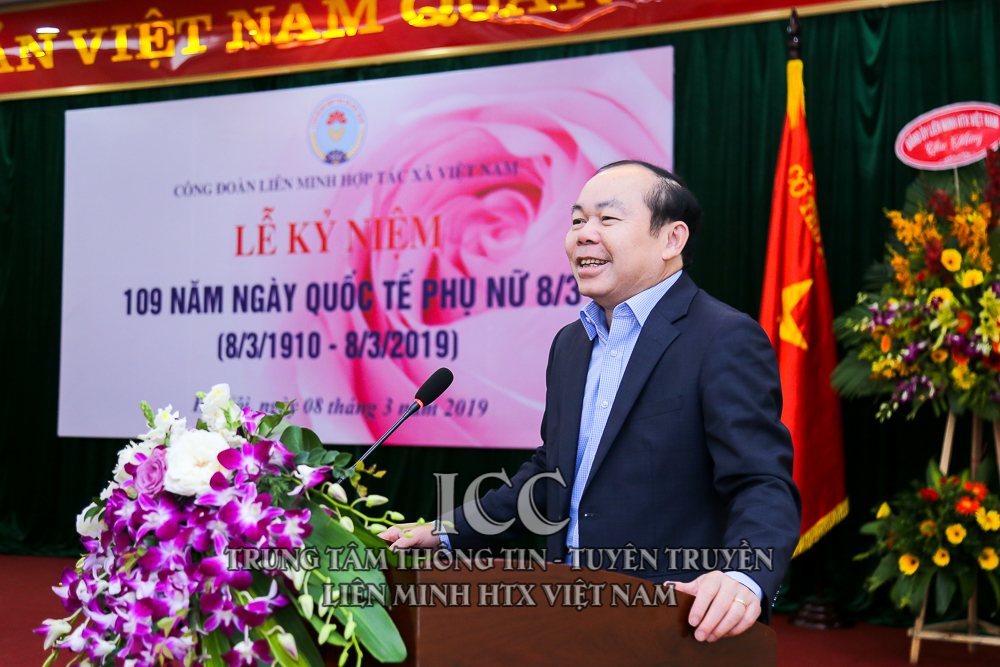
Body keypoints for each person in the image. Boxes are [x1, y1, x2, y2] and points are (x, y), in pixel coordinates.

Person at [379, 160, 801, 641]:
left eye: (608, 219)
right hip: (569, 611)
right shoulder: (571, 344)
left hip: (672, 620)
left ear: (671, 239)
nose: (584, 234)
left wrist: (743, 577)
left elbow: (761, 481)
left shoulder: (722, 337)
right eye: (578, 219)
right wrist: (447, 532)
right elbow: (551, 474)